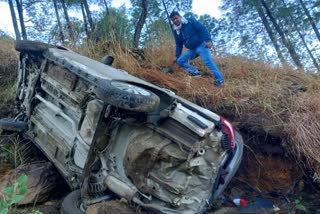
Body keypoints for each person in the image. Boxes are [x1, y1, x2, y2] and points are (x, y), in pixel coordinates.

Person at [170, 11, 224, 87]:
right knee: (180, 61)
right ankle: (195, 72)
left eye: (176, 18)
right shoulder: (176, 31)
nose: (175, 21)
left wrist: (208, 40)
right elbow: (179, 44)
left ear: (180, 17)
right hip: (192, 49)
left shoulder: (190, 21)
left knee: (207, 60)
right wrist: (176, 55)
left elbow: (202, 29)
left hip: (202, 45)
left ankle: (220, 79)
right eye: (173, 20)